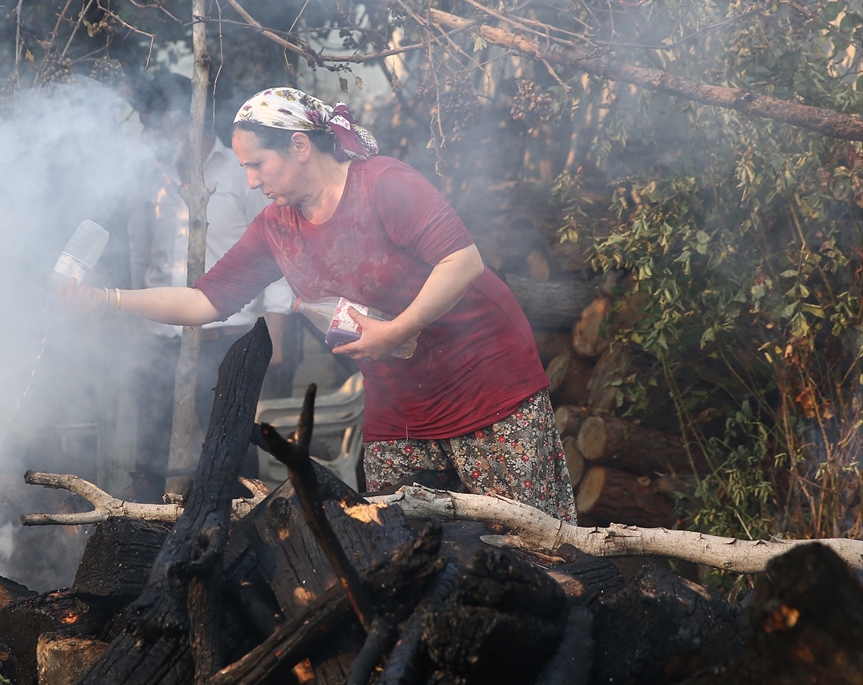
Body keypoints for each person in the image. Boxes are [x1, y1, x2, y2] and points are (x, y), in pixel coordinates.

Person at [68, 87, 575, 521]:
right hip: (398, 400)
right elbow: (205, 300)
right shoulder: (276, 226)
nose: (249, 181)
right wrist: (106, 299)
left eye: (256, 165)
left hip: (484, 382)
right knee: (408, 549)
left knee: (526, 546)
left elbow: (463, 262)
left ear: (299, 146)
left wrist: (397, 330)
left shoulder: (384, 184)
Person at [126, 74, 293, 496]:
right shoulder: (150, 178)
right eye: (144, 125)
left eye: (155, 123)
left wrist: (274, 330)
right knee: (152, 448)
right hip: (162, 341)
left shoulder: (244, 173)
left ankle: (240, 544)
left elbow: (280, 251)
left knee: (229, 453)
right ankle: (146, 543)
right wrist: (137, 320)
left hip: (227, 337)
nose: (148, 135)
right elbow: (139, 254)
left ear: (185, 120)